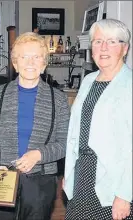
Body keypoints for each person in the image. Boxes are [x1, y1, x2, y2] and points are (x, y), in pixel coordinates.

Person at [0, 32, 70, 220]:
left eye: (36, 57)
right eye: (24, 57)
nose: (30, 63)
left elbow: (65, 143)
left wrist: (38, 155)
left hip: (41, 180)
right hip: (3, 177)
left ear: (44, 63)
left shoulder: (59, 99)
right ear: (15, 63)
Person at [63, 18, 133, 220]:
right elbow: (76, 132)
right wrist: (69, 173)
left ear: (125, 48)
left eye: (112, 42)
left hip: (114, 182)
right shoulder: (88, 81)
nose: (103, 47)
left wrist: (125, 194)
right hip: (83, 174)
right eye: (97, 41)